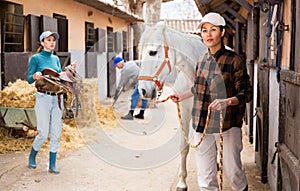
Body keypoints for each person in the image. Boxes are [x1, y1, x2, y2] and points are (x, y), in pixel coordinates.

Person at [171, 12, 252, 191]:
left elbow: (246, 93)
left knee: (234, 173)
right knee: (206, 178)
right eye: (204, 30)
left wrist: (227, 102)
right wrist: (182, 96)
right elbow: (199, 88)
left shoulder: (235, 61)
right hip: (202, 125)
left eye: (213, 30)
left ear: (222, 33)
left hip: (227, 126)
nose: (208, 34)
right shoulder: (202, 60)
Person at [27, 31, 64, 174]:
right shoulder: (35, 58)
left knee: (56, 133)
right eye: (49, 40)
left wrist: (69, 71)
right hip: (43, 98)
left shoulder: (56, 59)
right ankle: (32, 156)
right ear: (42, 43)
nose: (52, 42)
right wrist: (35, 76)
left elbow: (59, 77)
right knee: (43, 133)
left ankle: (52, 164)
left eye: (53, 40)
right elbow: (29, 79)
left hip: (57, 98)